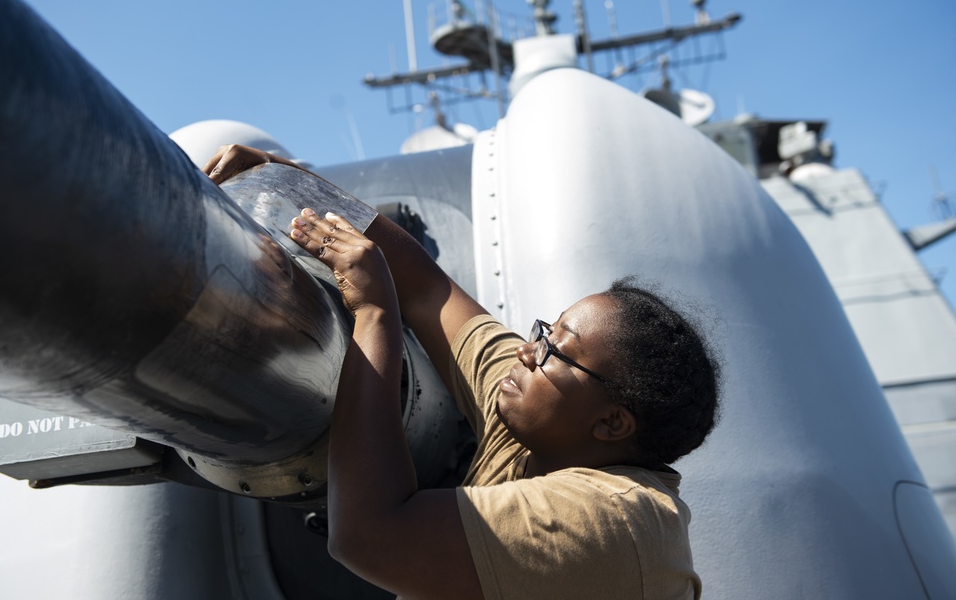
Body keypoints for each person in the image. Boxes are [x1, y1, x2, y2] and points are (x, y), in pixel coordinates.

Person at [204, 145, 721, 600]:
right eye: (544, 330)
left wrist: (375, 313)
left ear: (611, 423)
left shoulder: (614, 521)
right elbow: (430, 292)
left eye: (553, 349)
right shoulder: (544, 425)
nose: (527, 351)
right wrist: (289, 185)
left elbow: (368, 534)